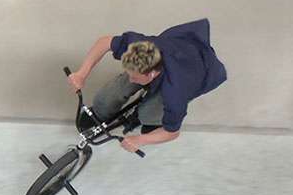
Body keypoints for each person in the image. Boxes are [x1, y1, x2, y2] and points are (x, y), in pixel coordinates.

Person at [67, 19, 227, 155]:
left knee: (148, 113)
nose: (131, 79)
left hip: (198, 71)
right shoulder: (141, 46)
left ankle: (152, 120)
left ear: (152, 74)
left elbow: (172, 132)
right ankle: (101, 112)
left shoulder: (176, 91)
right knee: (115, 90)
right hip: (177, 46)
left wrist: (141, 140)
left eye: (135, 77)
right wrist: (82, 73)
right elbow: (104, 42)